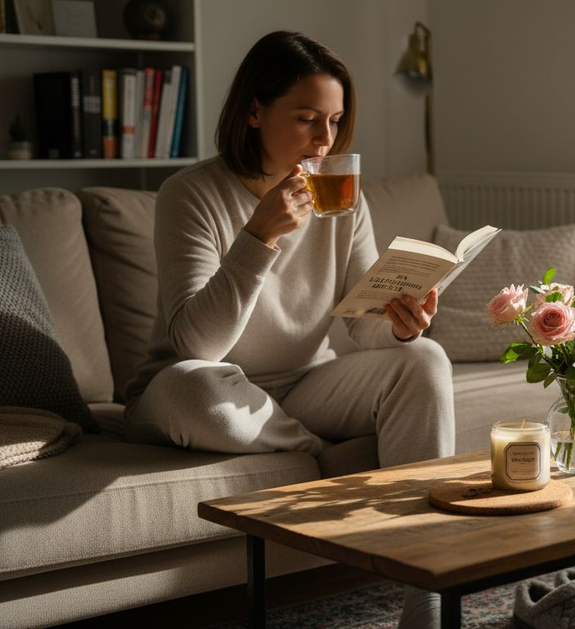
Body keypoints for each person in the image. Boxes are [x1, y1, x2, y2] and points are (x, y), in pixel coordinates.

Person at [123, 31, 453, 628]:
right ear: (254, 111)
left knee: (426, 359)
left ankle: (426, 599)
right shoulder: (190, 195)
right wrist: (259, 238)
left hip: (302, 383)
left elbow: (361, 325)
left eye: (334, 121)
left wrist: (401, 326)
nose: (324, 140)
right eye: (306, 119)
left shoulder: (341, 197)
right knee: (198, 390)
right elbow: (197, 345)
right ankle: (314, 450)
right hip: (197, 388)